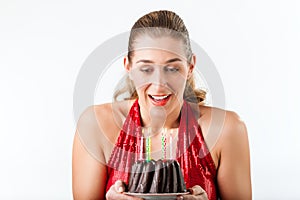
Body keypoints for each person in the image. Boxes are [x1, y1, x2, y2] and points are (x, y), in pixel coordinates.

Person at [72, 10, 252, 200]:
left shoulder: (227, 129)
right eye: (146, 69)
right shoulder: (95, 126)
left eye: (172, 69)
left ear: (190, 67)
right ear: (129, 67)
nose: (159, 84)